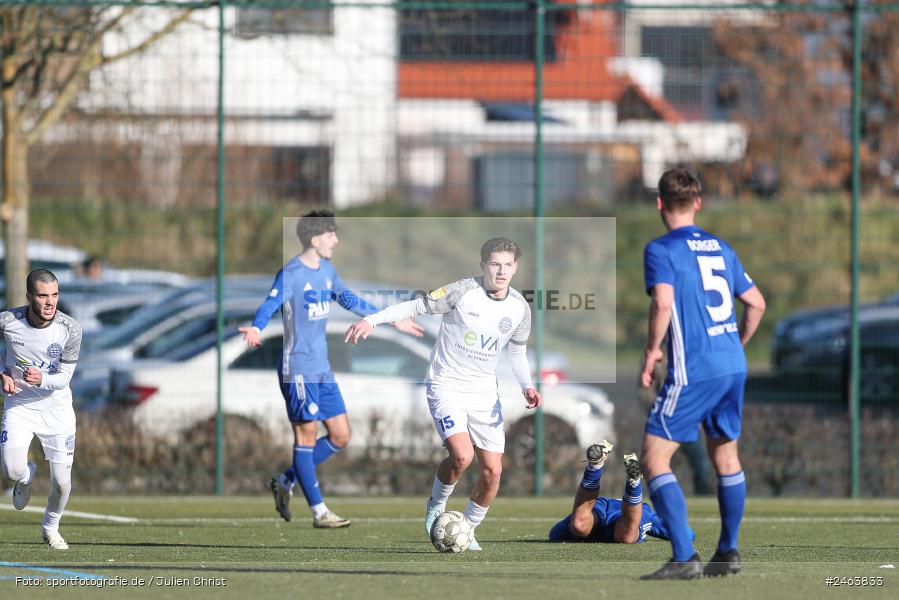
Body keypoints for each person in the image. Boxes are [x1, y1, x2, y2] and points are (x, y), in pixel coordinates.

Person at [345, 237, 542, 551]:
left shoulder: (519, 308)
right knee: (462, 456)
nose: (501, 271)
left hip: (484, 395)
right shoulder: (463, 291)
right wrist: (372, 319)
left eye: (507, 265)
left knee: (493, 472)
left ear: (515, 267)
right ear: (483, 265)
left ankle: (467, 528)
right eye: (495, 264)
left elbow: (517, 353)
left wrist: (526, 385)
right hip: (446, 385)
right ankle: (437, 505)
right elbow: (417, 305)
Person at [239, 210, 422, 528]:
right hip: (297, 369)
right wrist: (256, 328)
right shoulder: (292, 274)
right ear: (314, 239)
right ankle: (319, 512)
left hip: (322, 369)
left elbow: (351, 300)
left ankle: (286, 480)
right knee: (306, 435)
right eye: (330, 234)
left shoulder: (327, 270)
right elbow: (269, 304)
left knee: (340, 435)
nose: (335, 240)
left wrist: (392, 318)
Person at [639, 168, 766, 579]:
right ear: (697, 202)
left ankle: (683, 556)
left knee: (654, 458)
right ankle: (727, 551)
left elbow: (662, 303)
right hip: (733, 364)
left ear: (660, 203)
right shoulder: (722, 248)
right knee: (725, 455)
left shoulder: (661, 250)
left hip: (694, 369)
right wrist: (733, 350)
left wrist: (651, 352)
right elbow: (757, 305)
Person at [0, 269, 83, 550]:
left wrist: (43, 379)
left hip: (56, 410)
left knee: (62, 483)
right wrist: (2, 372)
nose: (50, 302)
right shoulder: (8, 321)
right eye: (43, 295)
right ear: (29, 297)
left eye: (55, 295)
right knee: (12, 471)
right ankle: (26, 475)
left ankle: (50, 527)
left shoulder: (70, 329)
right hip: (20, 404)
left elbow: (65, 378)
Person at [548, 440, 692, 545]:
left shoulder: (648, 514)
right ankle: (601, 467)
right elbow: (688, 534)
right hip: (601, 508)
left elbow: (555, 534)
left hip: (621, 512)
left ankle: (630, 480)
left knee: (626, 536)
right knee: (579, 525)